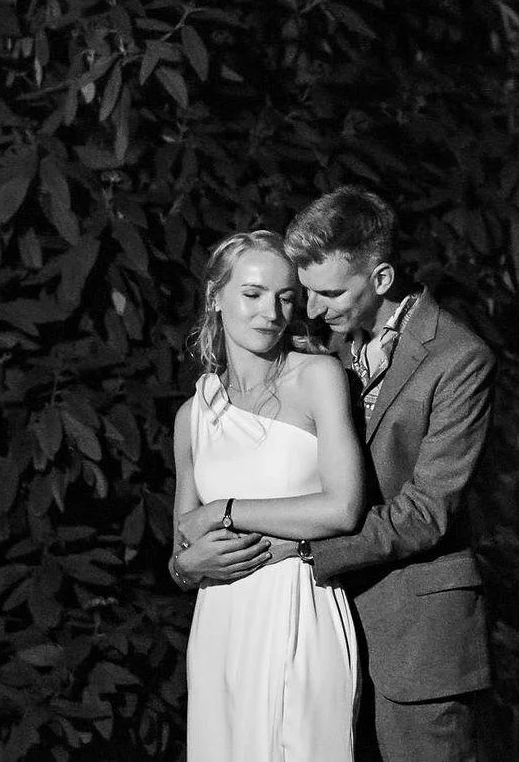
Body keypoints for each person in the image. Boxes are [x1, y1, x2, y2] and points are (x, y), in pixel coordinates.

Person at [174, 189, 497, 762]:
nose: (311, 311)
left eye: (328, 294)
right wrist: (184, 562)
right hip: (308, 624)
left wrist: (291, 547)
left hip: (414, 630)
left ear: (381, 278)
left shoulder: (458, 358)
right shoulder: (323, 344)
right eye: (308, 294)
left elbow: (424, 513)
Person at [171, 230, 367, 762]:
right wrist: (190, 568)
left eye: (285, 298)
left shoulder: (318, 378)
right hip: (221, 622)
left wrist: (227, 512)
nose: (271, 313)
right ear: (217, 296)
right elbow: (182, 552)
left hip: (301, 606)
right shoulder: (194, 415)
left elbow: (344, 508)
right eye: (252, 294)